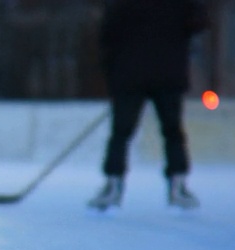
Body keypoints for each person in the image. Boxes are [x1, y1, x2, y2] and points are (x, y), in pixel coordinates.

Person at [88, 0, 209, 211]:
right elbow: (199, 21)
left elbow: (107, 36)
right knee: (172, 132)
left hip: (130, 76)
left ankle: (113, 184)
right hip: (167, 74)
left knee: (121, 133)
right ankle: (177, 185)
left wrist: (113, 75)